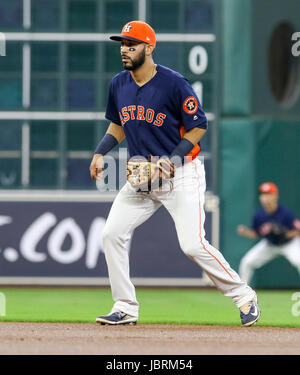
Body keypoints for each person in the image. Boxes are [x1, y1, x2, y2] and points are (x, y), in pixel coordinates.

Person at [89, 20, 260, 327]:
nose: (124, 50)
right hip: (142, 176)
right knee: (111, 234)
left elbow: (198, 126)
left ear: (149, 48)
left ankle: (244, 295)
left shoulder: (173, 83)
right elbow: (118, 124)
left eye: (131, 45)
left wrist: (170, 161)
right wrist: (101, 151)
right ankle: (125, 306)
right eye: (122, 45)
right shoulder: (119, 83)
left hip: (181, 174)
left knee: (192, 244)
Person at [238, 182, 300, 284]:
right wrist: (246, 232)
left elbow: (297, 232)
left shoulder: (285, 213)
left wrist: (284, 233)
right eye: (263, 195)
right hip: (270, 244)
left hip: (289, 244)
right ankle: (243, 293)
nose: (265, 198)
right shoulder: (258, 215)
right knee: (247, 262)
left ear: (275, 196)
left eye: (268, 194)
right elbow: (255, 234)